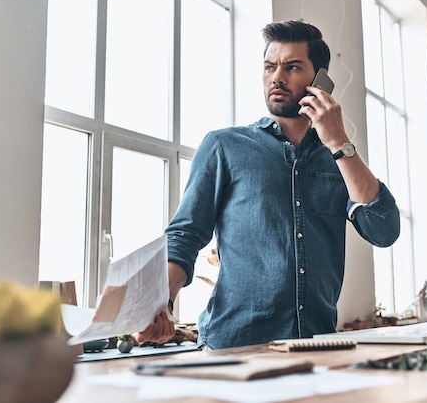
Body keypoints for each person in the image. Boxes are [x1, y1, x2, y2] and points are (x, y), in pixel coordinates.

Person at [135, 20, 401, 349]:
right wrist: (164, 299)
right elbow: (185, 235)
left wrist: (339, 142)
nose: (277, 77)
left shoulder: (339, 161)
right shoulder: (224, 146)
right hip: (234, 347)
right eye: (269, 67)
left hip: (317, 348)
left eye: (292, 67)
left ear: (321, 81)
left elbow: (384, 229)